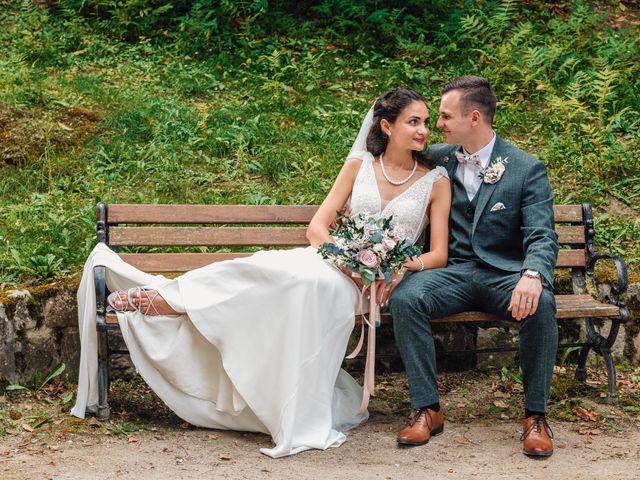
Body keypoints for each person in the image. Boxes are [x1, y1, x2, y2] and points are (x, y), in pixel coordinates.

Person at [71, 88, 451, 458]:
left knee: (304, 284)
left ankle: (177, 303)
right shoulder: (359, 167)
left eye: (426, 123)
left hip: (370, 284)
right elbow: (317, 228)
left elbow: (438, 254)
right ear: (386, 126)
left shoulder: (435, 182)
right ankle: (174, 298)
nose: (423, 131)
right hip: (331, 261)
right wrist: (346, 257)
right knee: (264, 267)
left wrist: (397, 264)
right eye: (413, 122)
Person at [390, 76, 559, 457]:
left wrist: (532, 275)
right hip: (452, 272)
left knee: (543, 303)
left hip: (503, 274)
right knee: (406, 298)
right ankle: (427, 408)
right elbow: (388, 161)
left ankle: (535, 416)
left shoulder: (525, 168)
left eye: (447, 116)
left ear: (475, 117)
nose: (439, 124)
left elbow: (542, 235)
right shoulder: (437, 157)